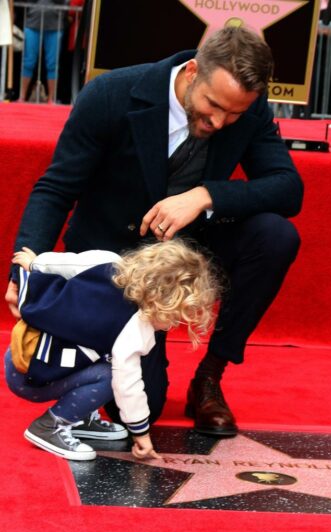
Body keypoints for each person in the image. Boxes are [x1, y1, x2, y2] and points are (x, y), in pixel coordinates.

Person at [6, 26, 303, 439]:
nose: (220, 121)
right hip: (113, 264)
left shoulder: (247, 111)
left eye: (233, 114)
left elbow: (288, 189)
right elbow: (56, 189)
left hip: (187, 254)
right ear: (192, 71)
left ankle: (209, 379)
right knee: (146, 406)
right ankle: (97, 360)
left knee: (276, 236)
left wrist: (204, 195)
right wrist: (25, 272)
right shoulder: (112, 93)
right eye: (213, 105)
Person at [5, 240, 218, 461]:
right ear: (163, 302)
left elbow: (65, 262)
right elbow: (128, 385)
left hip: (19, 354)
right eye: (175, 316)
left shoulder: (109, 261)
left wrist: (35, 263)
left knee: (94, 353)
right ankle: (49, 426)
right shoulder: (136, 327)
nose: (173, 325)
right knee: (112, 375)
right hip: (32, 382)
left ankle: (80, 416)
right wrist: (142, 435)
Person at [19, 0, 68, 103]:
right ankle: (22, 97)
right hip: (32, 23)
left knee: (52, 64)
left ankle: (51, 99)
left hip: (55, 25)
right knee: (28, 61)